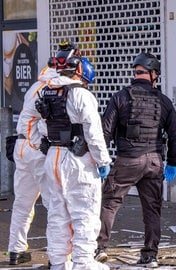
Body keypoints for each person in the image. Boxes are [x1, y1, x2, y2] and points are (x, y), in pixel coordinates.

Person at [95, 52, 176, 268]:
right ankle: (150, 255)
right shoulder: (163, 101)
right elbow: (175, 133)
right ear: (153, 75)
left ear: (136, 73)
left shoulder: (120, 97)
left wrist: (101, 159)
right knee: (152, 209)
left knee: (110, 203)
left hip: (127, 160)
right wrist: (172, 161)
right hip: (154, 161)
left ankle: (99, 248)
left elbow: (105, 130)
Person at [37, 44, 112, 270]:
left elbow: (42, 127)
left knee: (58, 214)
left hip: (53, 156)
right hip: (78, 159)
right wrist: (103, 160)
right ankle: (82, 262)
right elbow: (93, 132)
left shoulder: (46, 91)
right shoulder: (81, 94)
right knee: (85, 213)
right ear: (79, 68)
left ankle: (59, 264)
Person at [7, 65, 58, 266]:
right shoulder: (52, 89)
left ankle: (16, 250)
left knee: (22, 203)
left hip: (21, 147)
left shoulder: (36, 85)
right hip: (36, 148)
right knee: (54, 204)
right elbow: (41, 122)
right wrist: (43, 145)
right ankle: (58, 254)